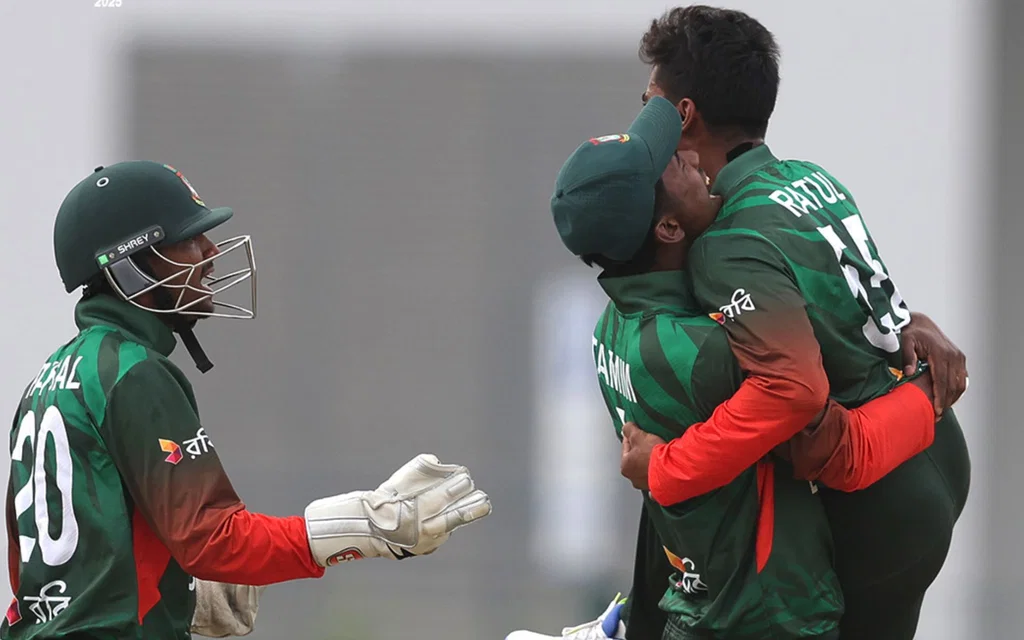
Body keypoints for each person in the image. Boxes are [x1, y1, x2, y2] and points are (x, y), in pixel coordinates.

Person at [506, 98, 956, 639]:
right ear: (668, 227)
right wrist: (928, 393)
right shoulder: (710, 355)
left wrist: (900, 317)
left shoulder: (610, 329)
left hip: (700, 609)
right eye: (671, 164)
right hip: (771, 618)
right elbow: (844, 452)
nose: (691, 157)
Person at [3, 161, 493, 639]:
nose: (210, 251)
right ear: (130, 266)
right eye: (187, 240)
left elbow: (37, 570)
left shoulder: (48, 378)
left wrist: (178, 589)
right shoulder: (133, 373)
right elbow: (214, 540)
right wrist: (366, 525)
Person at [616, 7, 971, 639]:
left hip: (875, 498)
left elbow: (791, 392)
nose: (640, 121)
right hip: (936, 453)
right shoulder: (810, 177)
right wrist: (914, 322)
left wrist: (665, 467)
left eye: (650, 104)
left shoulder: (723, 240)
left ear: (684, 115)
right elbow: (853, 315)